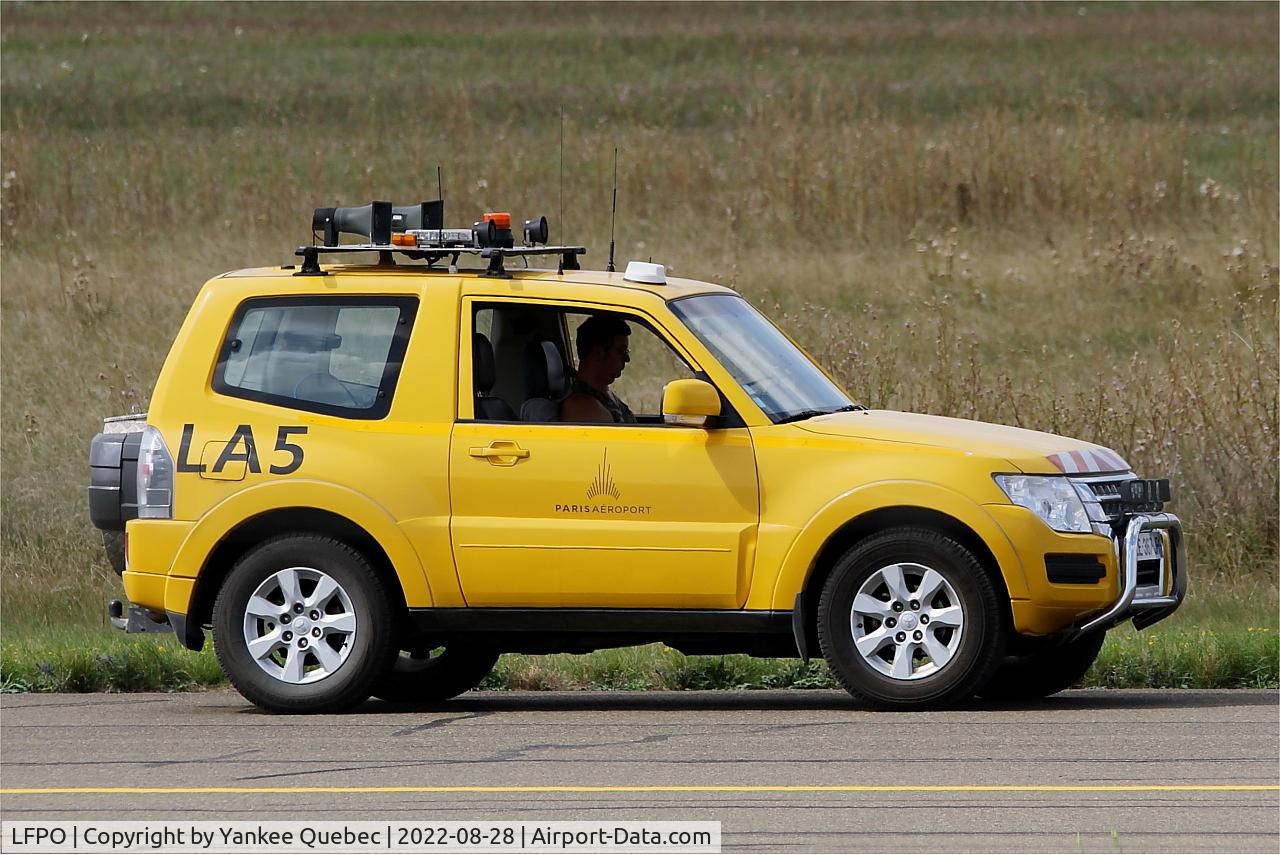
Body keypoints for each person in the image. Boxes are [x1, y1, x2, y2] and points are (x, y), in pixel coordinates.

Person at [560, 314, 636, 423]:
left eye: (626, 352)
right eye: (620, 351)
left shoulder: (605, 395)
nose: (627, 359)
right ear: (598, 353)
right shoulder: (582, 407)